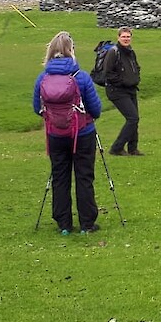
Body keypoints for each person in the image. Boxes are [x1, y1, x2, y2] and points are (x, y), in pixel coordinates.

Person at [33, 31, 102, 234]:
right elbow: (96, 108)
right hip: (82, 134)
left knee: (60, 177)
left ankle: (64, 224)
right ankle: (87, 223)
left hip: (55, 135)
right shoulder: (80, 77)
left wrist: (55, 119)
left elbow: (37, 106)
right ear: (71, 50)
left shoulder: (43, 77)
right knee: (84, 176)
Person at [104, 26, 143, 156]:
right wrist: (122, 82)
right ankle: (116, 148)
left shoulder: (130, 51)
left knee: (134, 119)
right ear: (118, 37)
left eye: (128, 36)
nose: (126, 39)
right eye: (123, 37)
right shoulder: (113, 52)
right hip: (117, 91)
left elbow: (136, 67)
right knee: (133, 118)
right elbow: (108, 73)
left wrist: (136, 78)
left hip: (131, 89)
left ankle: (133, 148)